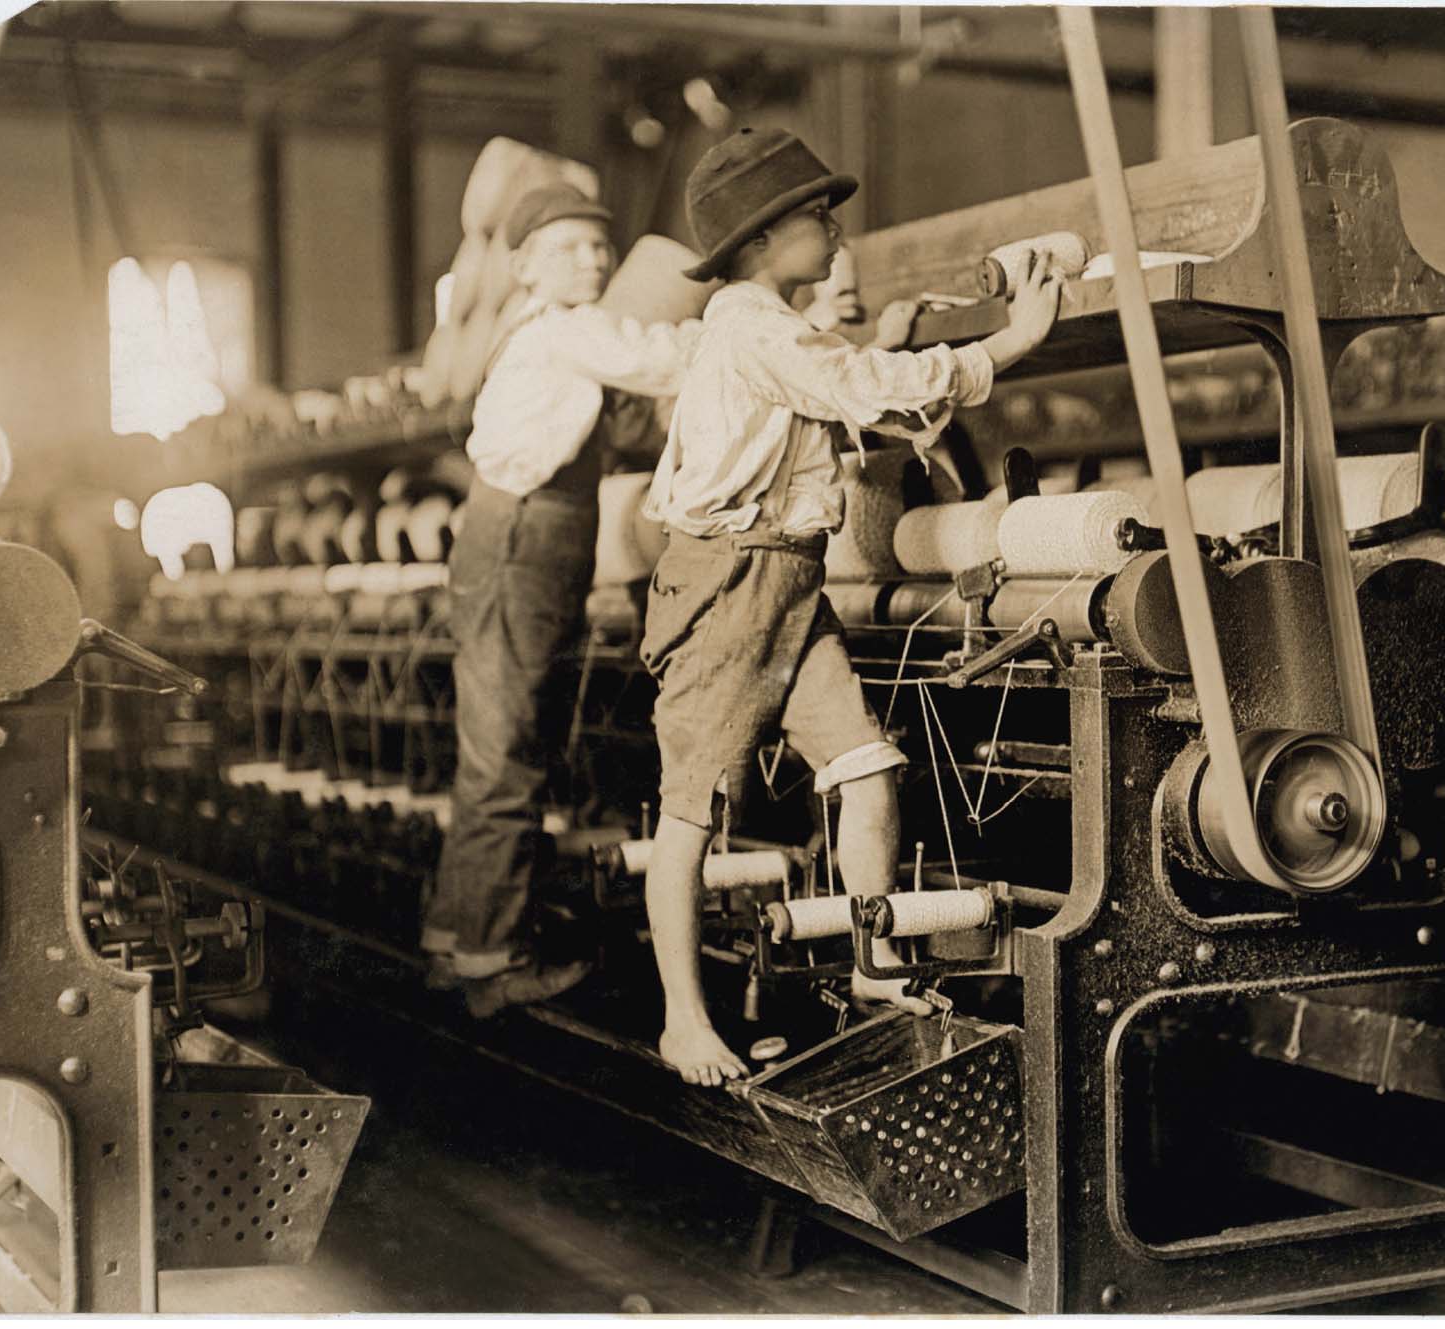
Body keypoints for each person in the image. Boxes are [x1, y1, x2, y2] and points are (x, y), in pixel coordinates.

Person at [637, 129, 1062, 1084]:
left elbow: (857, 388)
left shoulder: (771, 327)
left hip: (789, 580)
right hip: (728, 586)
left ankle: (874, 964)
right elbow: (864, 385)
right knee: (691, 817)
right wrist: (1009, 343)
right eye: (814, 217)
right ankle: (681, 1020)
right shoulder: (753, 325)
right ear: (757, 241)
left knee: (868, 768)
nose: (834, 230)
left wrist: (922, 347)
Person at [422, 183, 701, 1018]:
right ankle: (495, 963)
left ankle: (458, 937)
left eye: (597, 246)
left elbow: (618, 424)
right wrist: (754, 324)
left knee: (496, 752)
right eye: (569, 247)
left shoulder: (541, 334)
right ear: (524, 266)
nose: (592, 259)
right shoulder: (568, 329)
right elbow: (667, 358)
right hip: (525, 545)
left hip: (513, 539)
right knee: (507, 754)